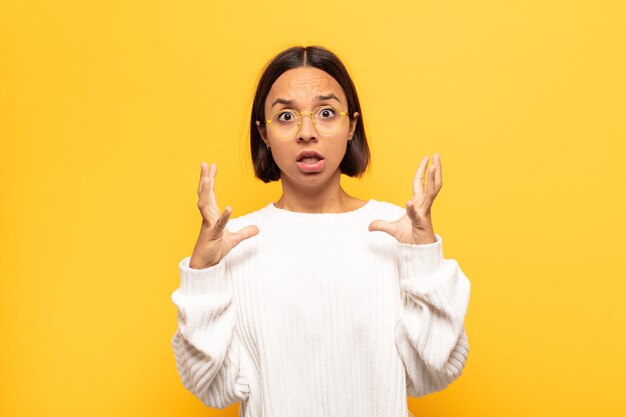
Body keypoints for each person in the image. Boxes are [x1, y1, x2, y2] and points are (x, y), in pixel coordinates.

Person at [170, 45, 471, 417]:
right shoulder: (236, 243)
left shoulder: (396, 233)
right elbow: (211, 387)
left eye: (327, 113)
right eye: (285, 116)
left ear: (351, 127)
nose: (307, 132)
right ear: (263, 134)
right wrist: (203, 273)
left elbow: (435, 372)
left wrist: (423, 258)